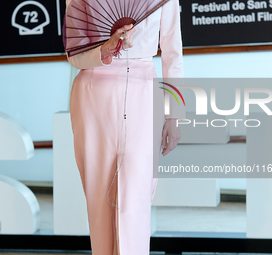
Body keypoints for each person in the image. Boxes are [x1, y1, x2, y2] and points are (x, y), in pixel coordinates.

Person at [64, 0, 186, 254]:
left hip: (143, 89)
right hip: (93, 91)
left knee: (136, 193)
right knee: (98, 194)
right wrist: (106, 49)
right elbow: (74, 56)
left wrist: (174, 116)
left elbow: (173, 54)